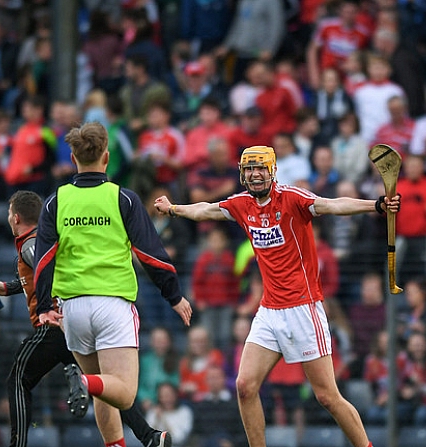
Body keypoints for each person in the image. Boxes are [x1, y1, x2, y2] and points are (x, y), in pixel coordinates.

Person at [153, 145, 400, 447]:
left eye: (261, 169)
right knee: (244, 386)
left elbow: (332, 205)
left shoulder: (293, 198)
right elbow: (205, 209)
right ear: (243, 174)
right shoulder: (242, 204)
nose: (255, 175)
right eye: (249, 169)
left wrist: (376, 205)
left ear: (272, 172)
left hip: (304, 309)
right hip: (269, 311)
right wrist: (174, 208)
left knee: (327, 396)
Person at [35, 122, 192, 447]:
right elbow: (151, 255)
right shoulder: (124, 199)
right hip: (113, 306)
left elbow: (43, 259)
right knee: (123, 392)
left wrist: (45, 306)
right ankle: (84, 382)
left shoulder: (56, 201)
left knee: (103, 390)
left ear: (74, 158)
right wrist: (174, 295)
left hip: (73, 309)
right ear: (106, 158)